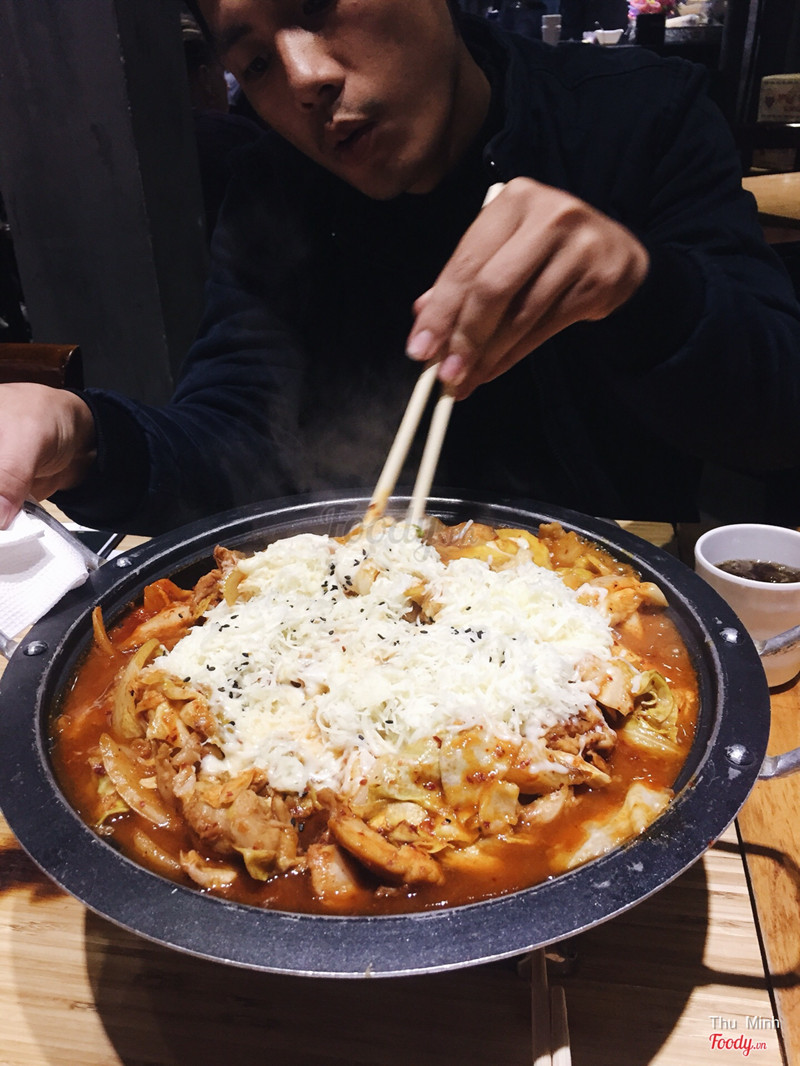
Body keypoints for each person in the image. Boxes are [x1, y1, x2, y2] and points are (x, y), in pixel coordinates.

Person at [1, 0, 799, 536]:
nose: (306, 77)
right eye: (257, 64)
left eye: (317, 5)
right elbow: (234, 436)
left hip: (616, 607)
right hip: (369, 632)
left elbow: (778, 419)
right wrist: (90, 438)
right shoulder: (275, 189)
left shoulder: (638, 113)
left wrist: (642, 292)